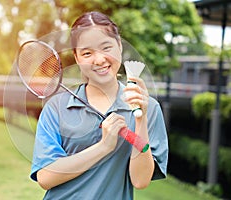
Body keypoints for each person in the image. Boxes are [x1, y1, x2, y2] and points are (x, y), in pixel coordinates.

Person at [30, 11, 168, 200]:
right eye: (87, 53)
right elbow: (45, 177)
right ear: (77, 59)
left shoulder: (149, 108)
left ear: (119, 46)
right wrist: (104, 146)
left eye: (106, 48)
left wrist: (140, 119)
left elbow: (140, 181)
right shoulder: (56, 108)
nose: (100, 59)